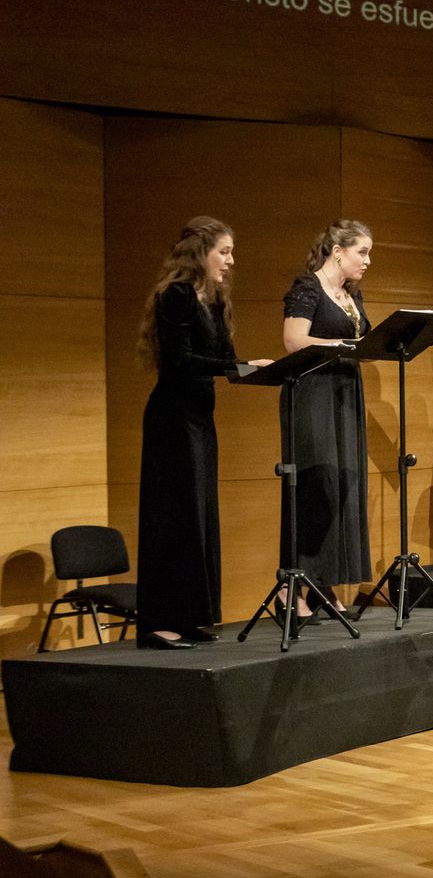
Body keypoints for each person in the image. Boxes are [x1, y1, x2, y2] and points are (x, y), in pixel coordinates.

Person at [136, 217, 271, 650]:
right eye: (224, 252)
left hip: (199, 419)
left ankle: (190, 615)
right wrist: (241, 367)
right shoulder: (174, 296)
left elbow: (227, 361)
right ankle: (158, 622)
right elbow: (180, 361)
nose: (231, 261)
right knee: (171, 517)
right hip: (172, 420)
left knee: (198, 515)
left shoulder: (213, 301)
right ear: (200, 252)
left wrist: (266, 370)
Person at [280, 220, 374, 620]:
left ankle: (321, 584)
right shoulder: (307, 288)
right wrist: (339, 344)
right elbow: (294, 340)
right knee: (316, 485)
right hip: (313, 394)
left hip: (345, 393)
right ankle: (291, 585)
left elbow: (364, 340)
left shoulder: (352, 295)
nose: (368, 261)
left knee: (342, 487)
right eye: (362, 253)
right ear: (338, 251)